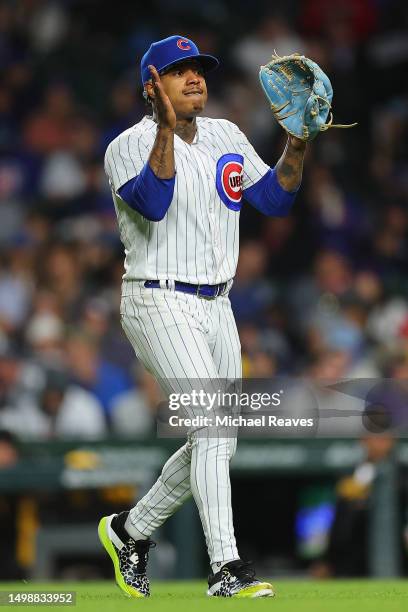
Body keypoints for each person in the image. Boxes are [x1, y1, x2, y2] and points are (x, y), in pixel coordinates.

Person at [98, 34, 306, 598]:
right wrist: (165, 129)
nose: (195, 78)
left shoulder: (225, 135)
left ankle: (130, 530)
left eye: (199, 69)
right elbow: (153, 201)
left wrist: (298, 144)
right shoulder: (127, 144)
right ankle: (226, 567)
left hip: (219, 304)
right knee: (212, 424)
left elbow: (272, 200)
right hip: (157, 298)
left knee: (218, 437)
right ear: (152, 87)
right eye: (178, 71)